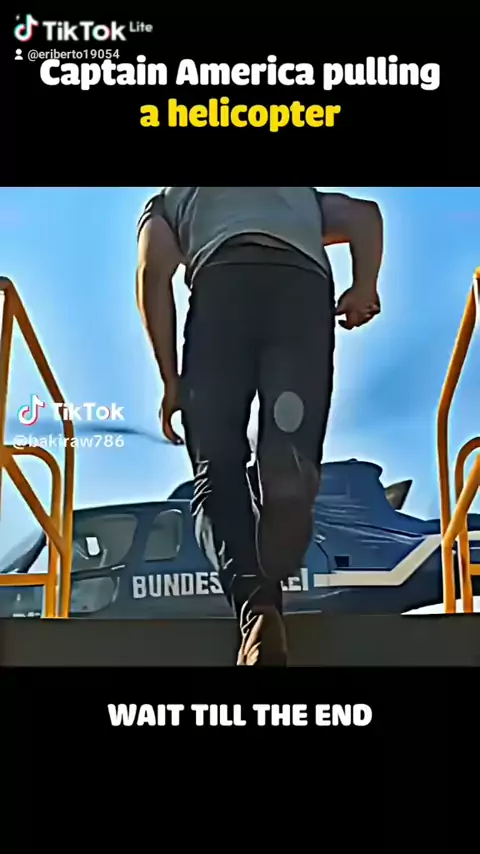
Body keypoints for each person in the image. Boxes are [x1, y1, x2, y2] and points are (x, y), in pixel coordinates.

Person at [136, 187, 383, 666]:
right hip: (302, 291)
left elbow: (153, 271)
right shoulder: (297, 194)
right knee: (291, 440)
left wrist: (171, 380)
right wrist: (363, 287)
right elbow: (363, 215)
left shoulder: (172, 198)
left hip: (222, 290)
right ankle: (286, 477)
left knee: (216, 468)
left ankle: (258, 610)